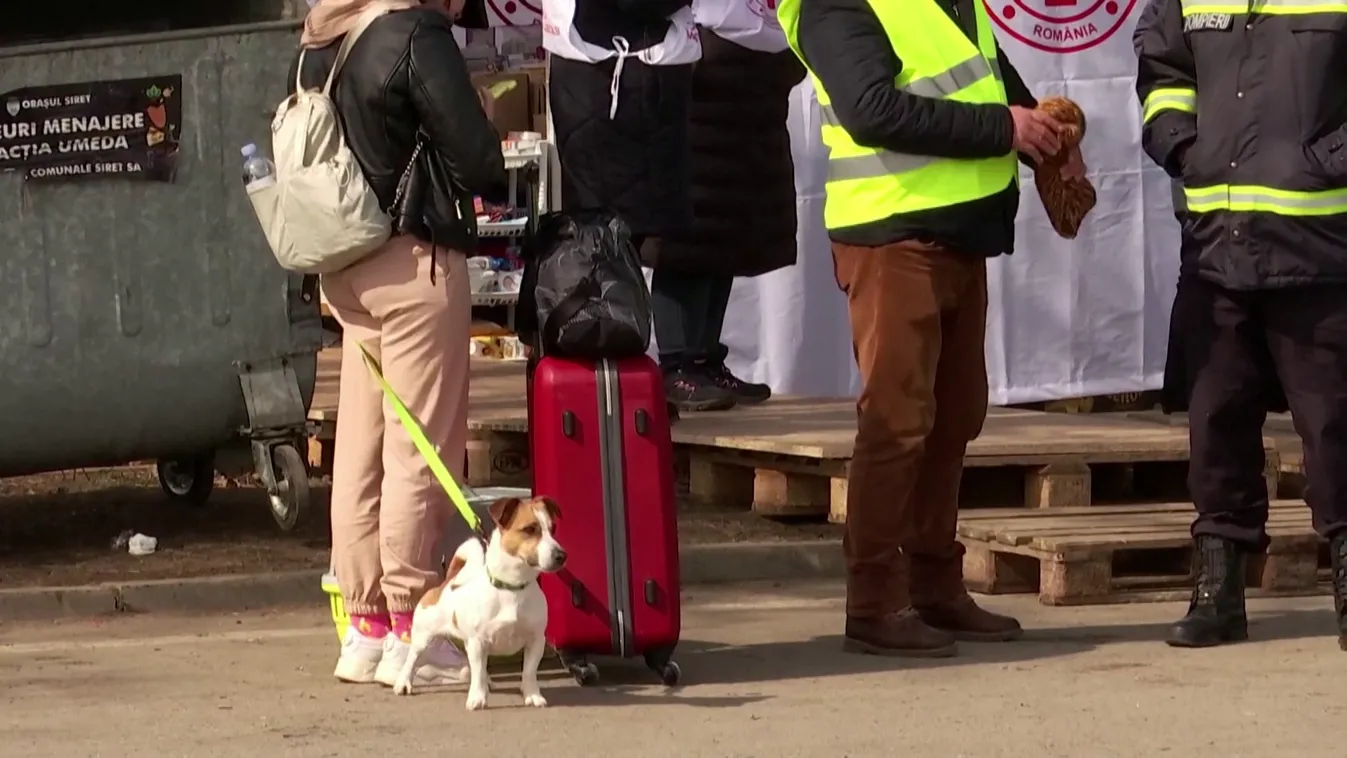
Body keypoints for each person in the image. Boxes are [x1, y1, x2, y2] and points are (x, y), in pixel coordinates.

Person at [777, 0, 1081, 656]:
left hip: (956, 232)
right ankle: (874, 601)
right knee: (897, 422)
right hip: (894, 235)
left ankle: (934, 587)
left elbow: (997, 89)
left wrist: (1043, 138)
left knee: (951, 418)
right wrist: (1004, 128)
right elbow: (872, 110)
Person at [292, 0, 507, 683]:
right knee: (419, 443)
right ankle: (416, 621)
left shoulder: (320, 34)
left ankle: (365, 626)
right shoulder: (414, 33)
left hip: (345, 260)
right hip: (414, 260)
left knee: (361, 447)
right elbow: (477, 160)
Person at [1135, 0, 1347, 649]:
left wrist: (1328, 157)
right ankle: (1217, 593)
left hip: (1320, 246)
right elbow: (1161, 69)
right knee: (1215, 424)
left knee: (1335, 425)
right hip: (1214, 246)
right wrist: (1182, 144)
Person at [641, 0, 805, 412]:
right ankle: (677, 365)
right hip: (702, 88)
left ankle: (704, 358)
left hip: (752, 98)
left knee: (727, 234)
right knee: (687, 239)